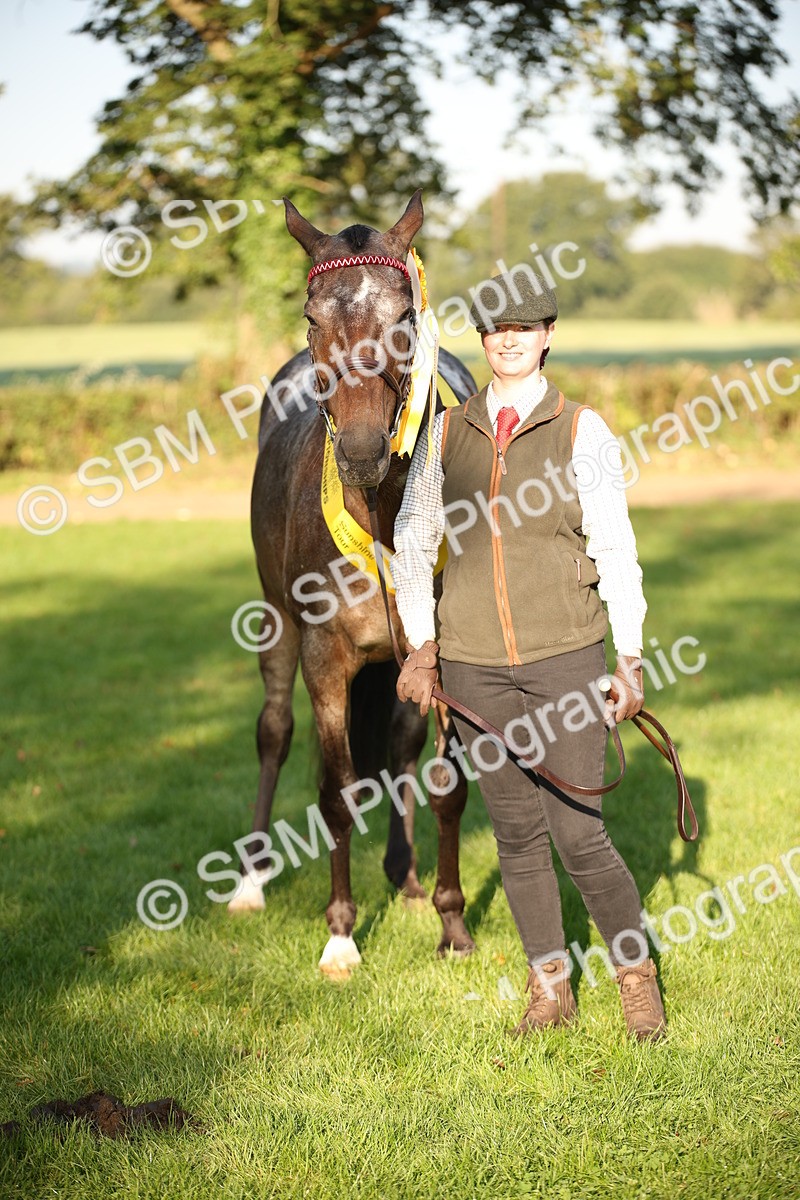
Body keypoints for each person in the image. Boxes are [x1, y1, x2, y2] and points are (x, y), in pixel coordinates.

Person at [391, 271, 667, 1042]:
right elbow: (412, 545)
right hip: (475, 669)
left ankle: (635, 978)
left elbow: (616, 549)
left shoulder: (584, 429)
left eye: (524, 328)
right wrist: (422, 646)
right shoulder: (447, 434)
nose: (507, 340)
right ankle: (550, 985)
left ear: (547, 335)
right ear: (481, 341)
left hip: (566, 659)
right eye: (493, 330)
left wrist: (631, 658)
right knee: (515, 835)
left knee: (580, 834)